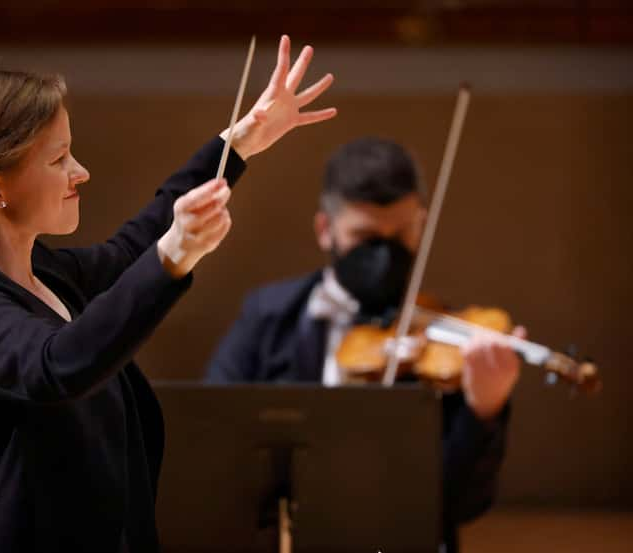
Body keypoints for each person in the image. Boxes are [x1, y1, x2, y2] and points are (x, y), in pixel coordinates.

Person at [0, 36, 336, 553]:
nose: (81, 172)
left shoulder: (45, 272)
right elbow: (57, 365)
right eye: (59, 159)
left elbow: (134, 245)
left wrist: (241, 142)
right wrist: (175, 254)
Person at [206, 137, 525, 553]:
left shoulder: (444, 342)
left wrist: (483, 411)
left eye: (401, 235)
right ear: (326, 230)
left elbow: (461, 505)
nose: (384, 255)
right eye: (365, 236)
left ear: (421, 226)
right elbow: (215, 445)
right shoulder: (267, 318)